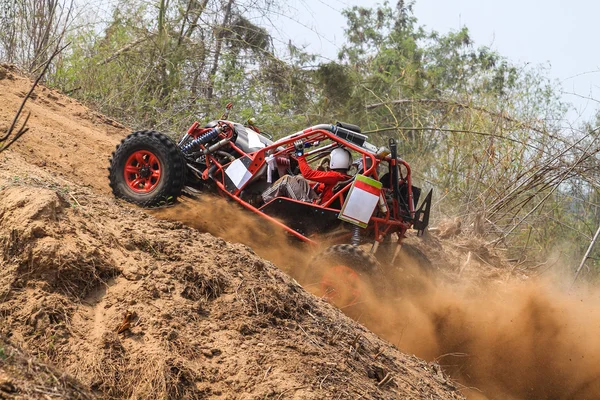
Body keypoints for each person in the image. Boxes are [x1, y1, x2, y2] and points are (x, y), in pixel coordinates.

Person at [262, 141, 352, 204]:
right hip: (318, 204)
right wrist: (320, 175)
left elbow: (307, 173)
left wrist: (300, 155)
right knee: (298, 179)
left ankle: (261, 199)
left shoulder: (335, 176)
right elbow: (318, 188)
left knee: (286, 180)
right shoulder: (344, 178)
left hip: (312, 209)